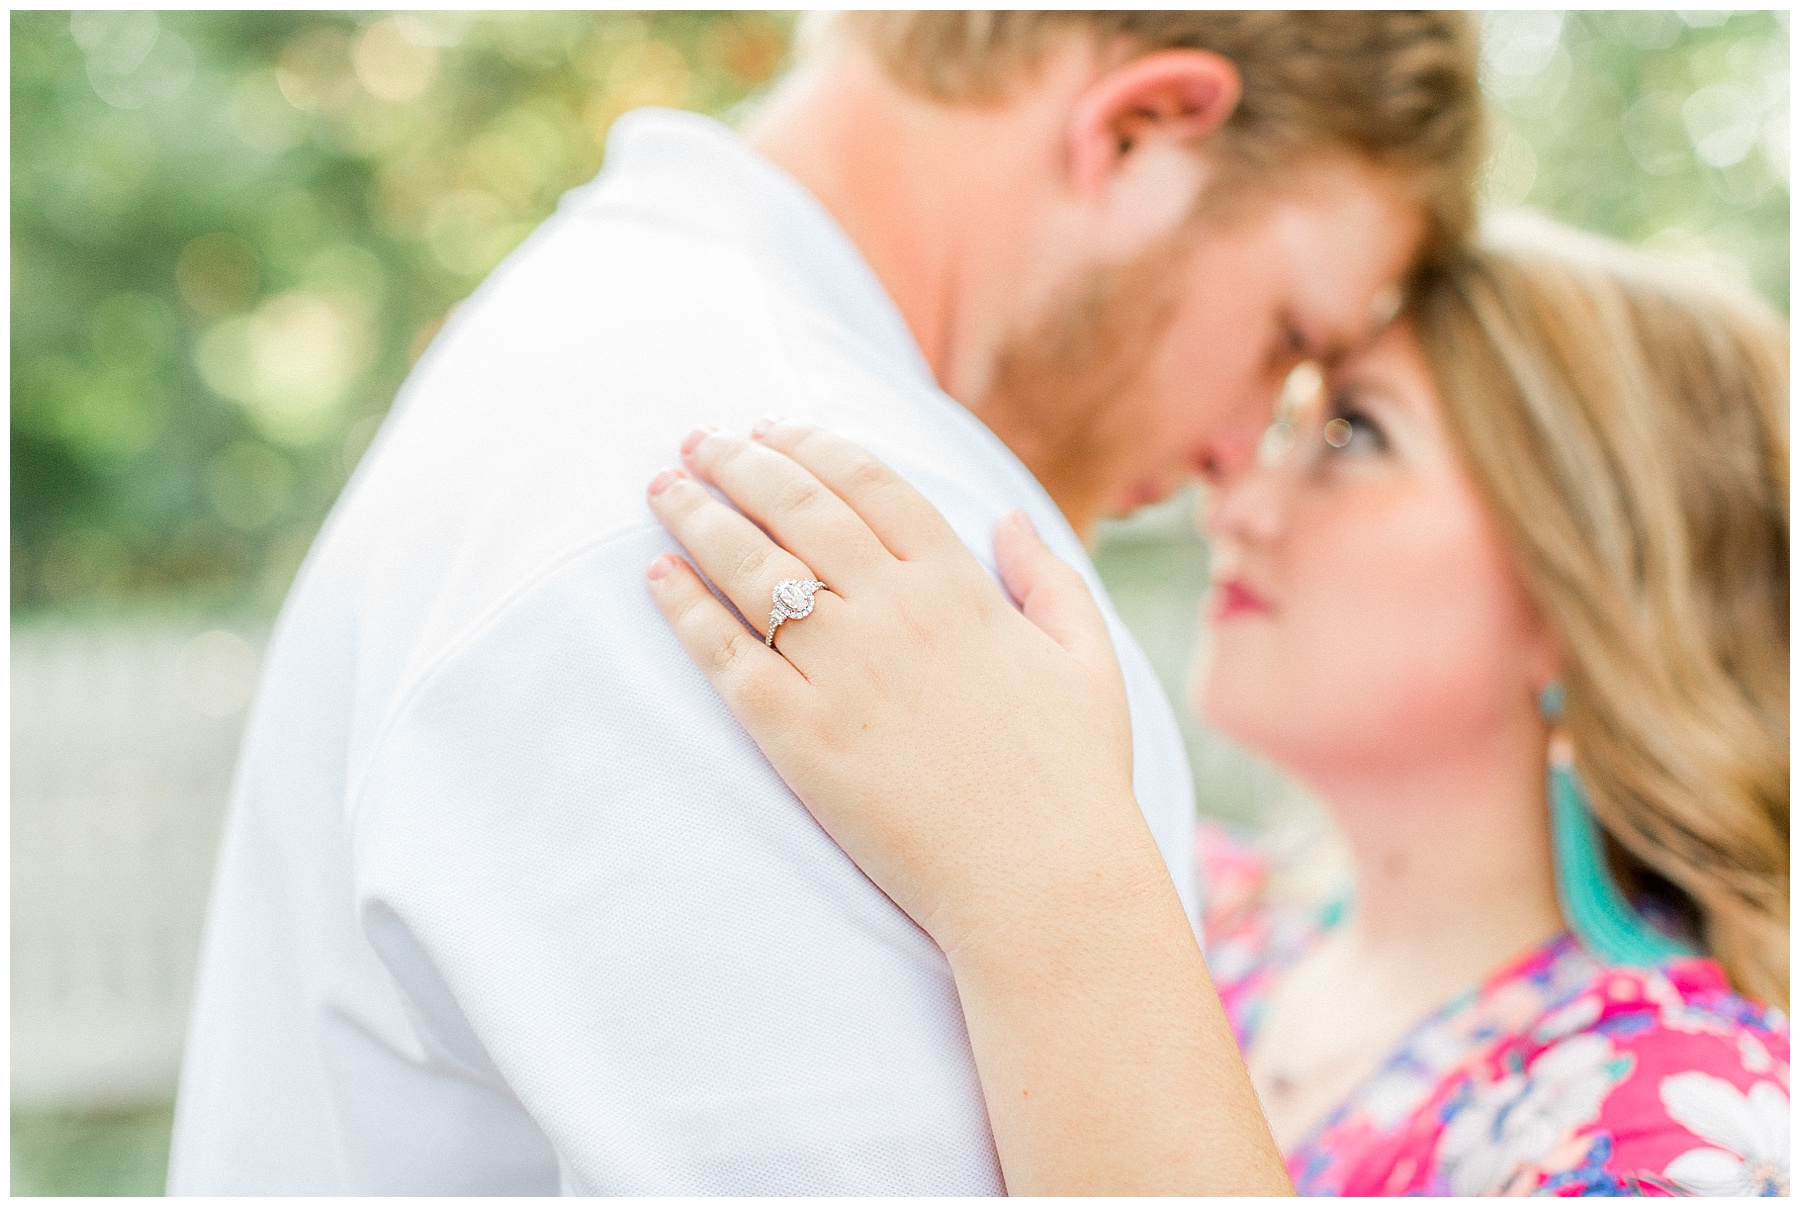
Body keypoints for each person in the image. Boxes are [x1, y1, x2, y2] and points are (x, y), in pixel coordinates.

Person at [167, 12, 1482, 1195]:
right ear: (1139, 131)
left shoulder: (590, 355)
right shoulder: (857, 530)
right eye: (1286, 340)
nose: (1241, 451)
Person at [643, 216, 1790, 1195]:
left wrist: (1044, 868)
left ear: (1583, 592)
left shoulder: (1685, 1120)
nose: (1233, 496)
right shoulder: (1212, 904)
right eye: (1291, 421)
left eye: (1353, 434)